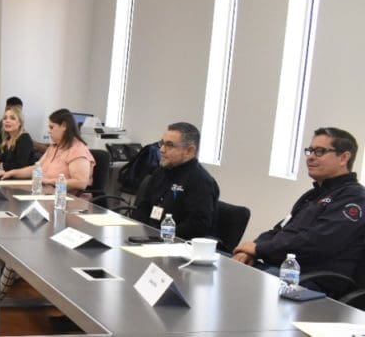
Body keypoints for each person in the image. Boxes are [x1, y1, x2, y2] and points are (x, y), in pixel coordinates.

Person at [233, 127, 365, 296]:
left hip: (313, 282)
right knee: (226, 265)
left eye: (320, 151)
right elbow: (279, 231)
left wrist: (259, 249)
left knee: (240, 286)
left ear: (344, 158)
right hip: (282, 269)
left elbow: (316, 243)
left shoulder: (354, 198)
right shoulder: (312, 195)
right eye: (310, 151)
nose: (310, 157)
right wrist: (250, 250)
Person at [132, 122, 220, 239]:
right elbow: (143, 206)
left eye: (169, 145)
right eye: (162, 143)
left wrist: (161, 235)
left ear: (189, 151)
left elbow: (197, 226)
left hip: (175, 242)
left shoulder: (201, 181)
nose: (161, 150)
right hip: (148, 236)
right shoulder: (160, 172)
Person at [0, 108, 93, 193]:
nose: (49, 131)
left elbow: (80, 182)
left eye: (52, 127)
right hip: (44, 192)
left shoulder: (77, 149)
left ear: (64, 126)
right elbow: (36, 169)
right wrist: (12, 173)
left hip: (64, 198)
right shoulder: (54, 147)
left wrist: (49, 181)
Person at [0, 106, 36, 175]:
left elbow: (20, 166)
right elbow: (4, 160)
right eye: (5, 118)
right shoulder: (8, 139)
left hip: (24, 179)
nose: (7, 121)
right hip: (11, 177)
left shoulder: (24, 138)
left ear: (20, 123)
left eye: (12, 118)